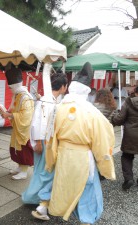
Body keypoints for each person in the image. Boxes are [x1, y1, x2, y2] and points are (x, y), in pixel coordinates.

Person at [45, 62, 116, 225]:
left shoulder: (58, 108)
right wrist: (105, 165)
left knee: (65, 184)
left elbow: (50, 136)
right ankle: (86, 219)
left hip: (63, 154)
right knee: (87, 189)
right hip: (83, 156)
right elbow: (103, 139)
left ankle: (68, 212)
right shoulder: (92, 112)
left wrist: (51, 158)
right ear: (86, 90)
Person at [22, 72, 68, 221]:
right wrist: (37, 142)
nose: (65, 89)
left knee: (44, 171)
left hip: (47, 141)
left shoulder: (51, 101)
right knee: (44, 172)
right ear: (61, 87)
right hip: (44, 142)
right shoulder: (47, 102)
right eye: (65, 86)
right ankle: (33, 198)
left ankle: (39, 198)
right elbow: (37, 122)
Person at [0, 67, 34, 180]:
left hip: (24, 129)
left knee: (23, 149)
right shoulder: (18, 95)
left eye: (10, 87)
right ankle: (20, 167)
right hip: (18, 128)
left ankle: (24, 171)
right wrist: (7, 112)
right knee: (15, 148)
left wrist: (10, 115)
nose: (10, 89)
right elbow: (14, 108)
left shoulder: (25, 97)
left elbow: (26, 116)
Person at [111, 86, 138, 190]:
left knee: (127, 156)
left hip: (130, 135)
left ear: (135, 92)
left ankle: (129, 179)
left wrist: (114, 116)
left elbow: (119, 119)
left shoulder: (128, 102)